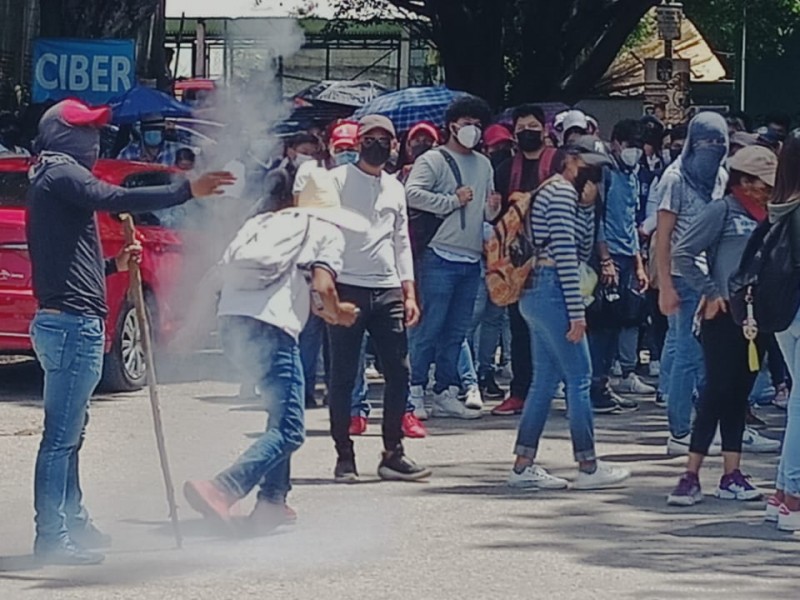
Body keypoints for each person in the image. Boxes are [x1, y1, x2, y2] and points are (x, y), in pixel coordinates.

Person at [27, 99, 233, 565]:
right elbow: (112, 197)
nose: (93, 139)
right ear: (60, 133)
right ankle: (52, 535)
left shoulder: (54, 179)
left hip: (72, 319)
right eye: (85, 129)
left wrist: (112, 266)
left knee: (70, 433)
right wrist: (185, 190)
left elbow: (64, 264)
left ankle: (72, 521)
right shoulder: (60, 172)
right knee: (61, 437)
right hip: (70, 325)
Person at [184, 169, 366, 532]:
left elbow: (214, 280)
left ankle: (273, 499)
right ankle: (223, 488)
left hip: (234, 324)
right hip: (273, 328)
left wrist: (190, 327)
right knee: (289, 429)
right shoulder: (325, 230)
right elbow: (325, 287)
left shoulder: (261, 224)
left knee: (278, 416)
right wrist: (339, 314)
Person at [507, 136, 630, 490]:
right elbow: (565, 252)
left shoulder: (555, 191)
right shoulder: (561, 193)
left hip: (538, 291)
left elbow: (572, 245)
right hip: (553, 290)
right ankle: (588, 465)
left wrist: (588, 208)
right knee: (579, 378)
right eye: (588, 164)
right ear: (571, 160)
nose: (593, 173)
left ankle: (523, 464)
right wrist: (577, 314)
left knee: (544, 381)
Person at [667, 145, 780, 506]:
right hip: (722, 316)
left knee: (738, 394)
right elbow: (683, 253)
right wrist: (710, 292)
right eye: (763, 183)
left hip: (758, 316)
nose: (768, 189)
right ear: (743, 182)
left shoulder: (774, 216)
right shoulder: (722, 211)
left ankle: (732, 473)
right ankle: (690, 475)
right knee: (715, 392)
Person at [326, 114, 430, 483]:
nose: (378, 145)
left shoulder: (395, 187)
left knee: (399, 372)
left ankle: (393, 452)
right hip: (347, 287)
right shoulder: (336, 181)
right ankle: (344, 455)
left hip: (387, 289)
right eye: (371, 138)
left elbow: (402, 240)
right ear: (357, 142)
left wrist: (409, 289)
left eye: (385, 139)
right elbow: (321, 231)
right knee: (342, 375)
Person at [405, 95, 498, 419]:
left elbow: (484, 209)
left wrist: (492, 210)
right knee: (428, 328)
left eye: (478, 124)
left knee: (457, 331)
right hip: (438, 256)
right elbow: (411, 193)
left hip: (471, 259)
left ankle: (446, 389)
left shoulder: (484, 164)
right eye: (467, 123)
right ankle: (414, 390)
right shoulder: (432, 159)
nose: (472, 129)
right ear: (451, 126)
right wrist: (451, 201)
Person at [655, 112, 729, 455]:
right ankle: (679, 432)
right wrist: (666, 286)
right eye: (706, 142)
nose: (713, 149)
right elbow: (663, 236)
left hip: (710, 280)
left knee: (706, 358)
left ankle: (702, 427)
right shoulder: (674, 178)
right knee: (685, 353)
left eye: (719, 142)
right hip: (683, 277)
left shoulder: (721, 176)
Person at [491, 104, 553, 416]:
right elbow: (497, 216)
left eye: (532, 126)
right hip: (516, 261)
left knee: (555, 326)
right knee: (518, 326)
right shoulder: (504, 169)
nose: (527, 132)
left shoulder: (558, 164)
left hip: (553, 259)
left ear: (544, 130)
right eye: (521, 128)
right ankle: (519, 391)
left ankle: (560, 388)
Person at [588, 119, 652, 415]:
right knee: (601, 324)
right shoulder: (606, 173)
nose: (634, 152)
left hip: (627, 256)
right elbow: (597, 220)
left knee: (617, 324)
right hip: (607, 257)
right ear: (615, 144)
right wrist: (605, 260)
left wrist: (639, 264)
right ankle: (594, 386)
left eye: (638, 147)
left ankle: (604, 384)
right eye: (629, 146)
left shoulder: (633, 175)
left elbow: (630, 223)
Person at [766, 129, 800, 530]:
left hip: (779, 315)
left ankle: (780, 494)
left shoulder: (778, 204)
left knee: (796, 405)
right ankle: (793, 497)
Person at [116, 114, 182, 166]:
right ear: (142, 132)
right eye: (149, 129)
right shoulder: (128, 152)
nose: (152, 132)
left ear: (163, 132)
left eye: (156, 129)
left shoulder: (176, 151)